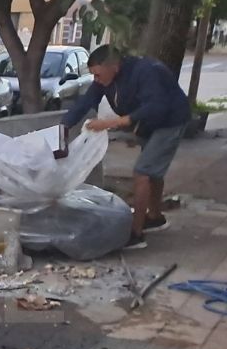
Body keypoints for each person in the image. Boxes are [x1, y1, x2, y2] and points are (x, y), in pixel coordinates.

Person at [61, 45, 191, 250]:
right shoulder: (105, 79)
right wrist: (64, 126)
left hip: (170, 121)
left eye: (97, 74)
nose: (96, 79)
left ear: (113, 66)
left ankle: (136, 234)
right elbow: (86, 101)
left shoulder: (146, 71)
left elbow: (156, 106)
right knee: (152, 171)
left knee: (142, 173)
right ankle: (155, 217)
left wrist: (112, 123)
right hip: (148, 124)